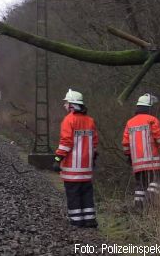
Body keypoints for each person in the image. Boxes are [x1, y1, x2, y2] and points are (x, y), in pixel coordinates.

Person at [53, 89, 99, 228]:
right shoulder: (90, 121)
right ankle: (90, 219)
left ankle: (77, 220)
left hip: (72, 168)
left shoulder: (69, 120)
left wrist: (57, 159)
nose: (65, 105)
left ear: (72, 104)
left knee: (73, 194)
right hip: (86, 167)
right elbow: (95, 143)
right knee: (87, 194)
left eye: (66, 102)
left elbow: (66, 142)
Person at [122, 93, 160, 208]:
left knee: (141, 185)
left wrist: (128, 156)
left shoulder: (130, 122)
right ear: (149, 107)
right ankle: (149, 199)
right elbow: (159, 137)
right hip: (153, 160)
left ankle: (138, 207)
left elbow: (125, 143)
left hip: (137, 162)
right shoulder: (152, 120)